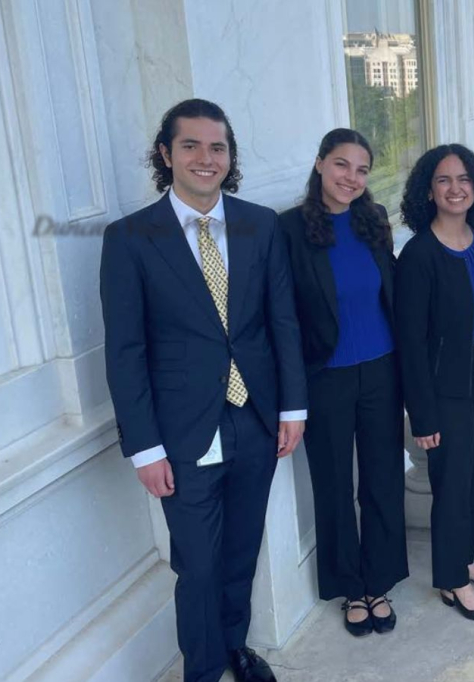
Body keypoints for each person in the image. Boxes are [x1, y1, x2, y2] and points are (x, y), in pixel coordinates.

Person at [100, 99, 307, 682]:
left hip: (256, 421)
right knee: (198, 564)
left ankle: (234, 648)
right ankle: (203, 669)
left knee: (241, 552)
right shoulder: (131, 238)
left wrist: (292, 408)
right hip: (181, 433)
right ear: (166, 155)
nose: (205, 158)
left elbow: (281, 321)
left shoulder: (259, 224)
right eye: (189, 145)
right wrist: (144, 447)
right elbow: (125, 352)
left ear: (230, 156)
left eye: (217, 147)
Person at [280, 129, 408, 637]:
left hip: (381, 371)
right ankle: (349, 588)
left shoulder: (373, 220)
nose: (351, 178)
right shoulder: (288, 229)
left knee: (382, 479)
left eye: (360, 169)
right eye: (340, 165)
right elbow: (283, 315)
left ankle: (378, 581)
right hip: (325, 376)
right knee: (333, 484)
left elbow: (391, 292)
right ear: (319, 165)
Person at [395, 144, 474, 623]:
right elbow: (411, 343)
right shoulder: (419, 255)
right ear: (429, 190)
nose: (455, 188)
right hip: (444, 388)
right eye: (444, 180)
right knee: (451, 485)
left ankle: (461, 561)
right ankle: (452, 581)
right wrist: (421, 414)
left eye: (464, 179)